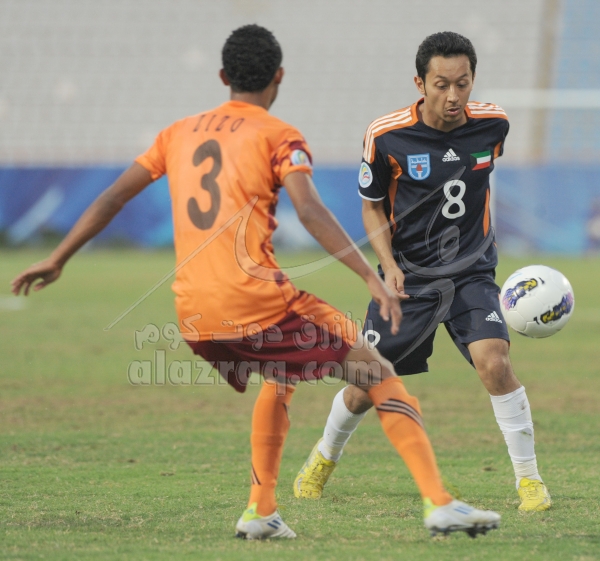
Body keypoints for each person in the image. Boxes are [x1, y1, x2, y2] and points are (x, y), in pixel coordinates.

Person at [11, 25, 501, 539]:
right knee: (377, 372)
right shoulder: (278, 135)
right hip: (256, 302)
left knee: (280, 375)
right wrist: (368, 276)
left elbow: (113, 196)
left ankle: (260, 511)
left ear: (224, 75)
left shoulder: (176, 133)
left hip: (192, 315)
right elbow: (309, 210)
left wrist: (58, 258)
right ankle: (440, 503)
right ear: (279, 77)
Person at [295, 31, 551, 513]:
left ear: (472, 79)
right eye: (441, 84)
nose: (453, 95)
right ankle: (323, 456)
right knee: (365, 386)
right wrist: (389, 266)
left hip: (472, 272)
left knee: (495, 364)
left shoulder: (494, 124)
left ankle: (530, 481)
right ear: (420, 83)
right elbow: (372, 206)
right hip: (409, 279)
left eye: (463, 83)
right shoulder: (386, 135)